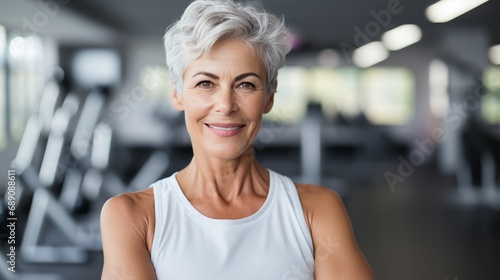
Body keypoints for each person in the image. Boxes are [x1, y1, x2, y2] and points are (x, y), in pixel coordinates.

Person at [100, 0, 375, 279]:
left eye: (246, 84)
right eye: (205, 83)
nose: (225, 105)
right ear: (177, 94)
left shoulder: (317, 210)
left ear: (269, 96)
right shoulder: (132, 216)